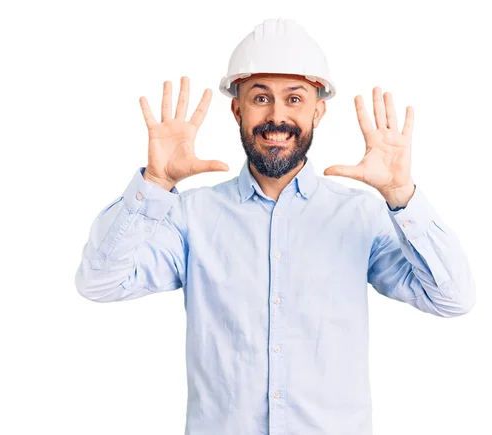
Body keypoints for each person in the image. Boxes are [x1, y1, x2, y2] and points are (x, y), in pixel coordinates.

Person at [74, 18, 476, 435]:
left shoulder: (362, 216)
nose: (277, 116)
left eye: (295, 99)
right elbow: (99, 283)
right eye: (260, 98)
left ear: (318, 111)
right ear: (237, 109)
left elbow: (452, 298)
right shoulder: (191, 216)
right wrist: (155, 185)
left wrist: (401, 194)